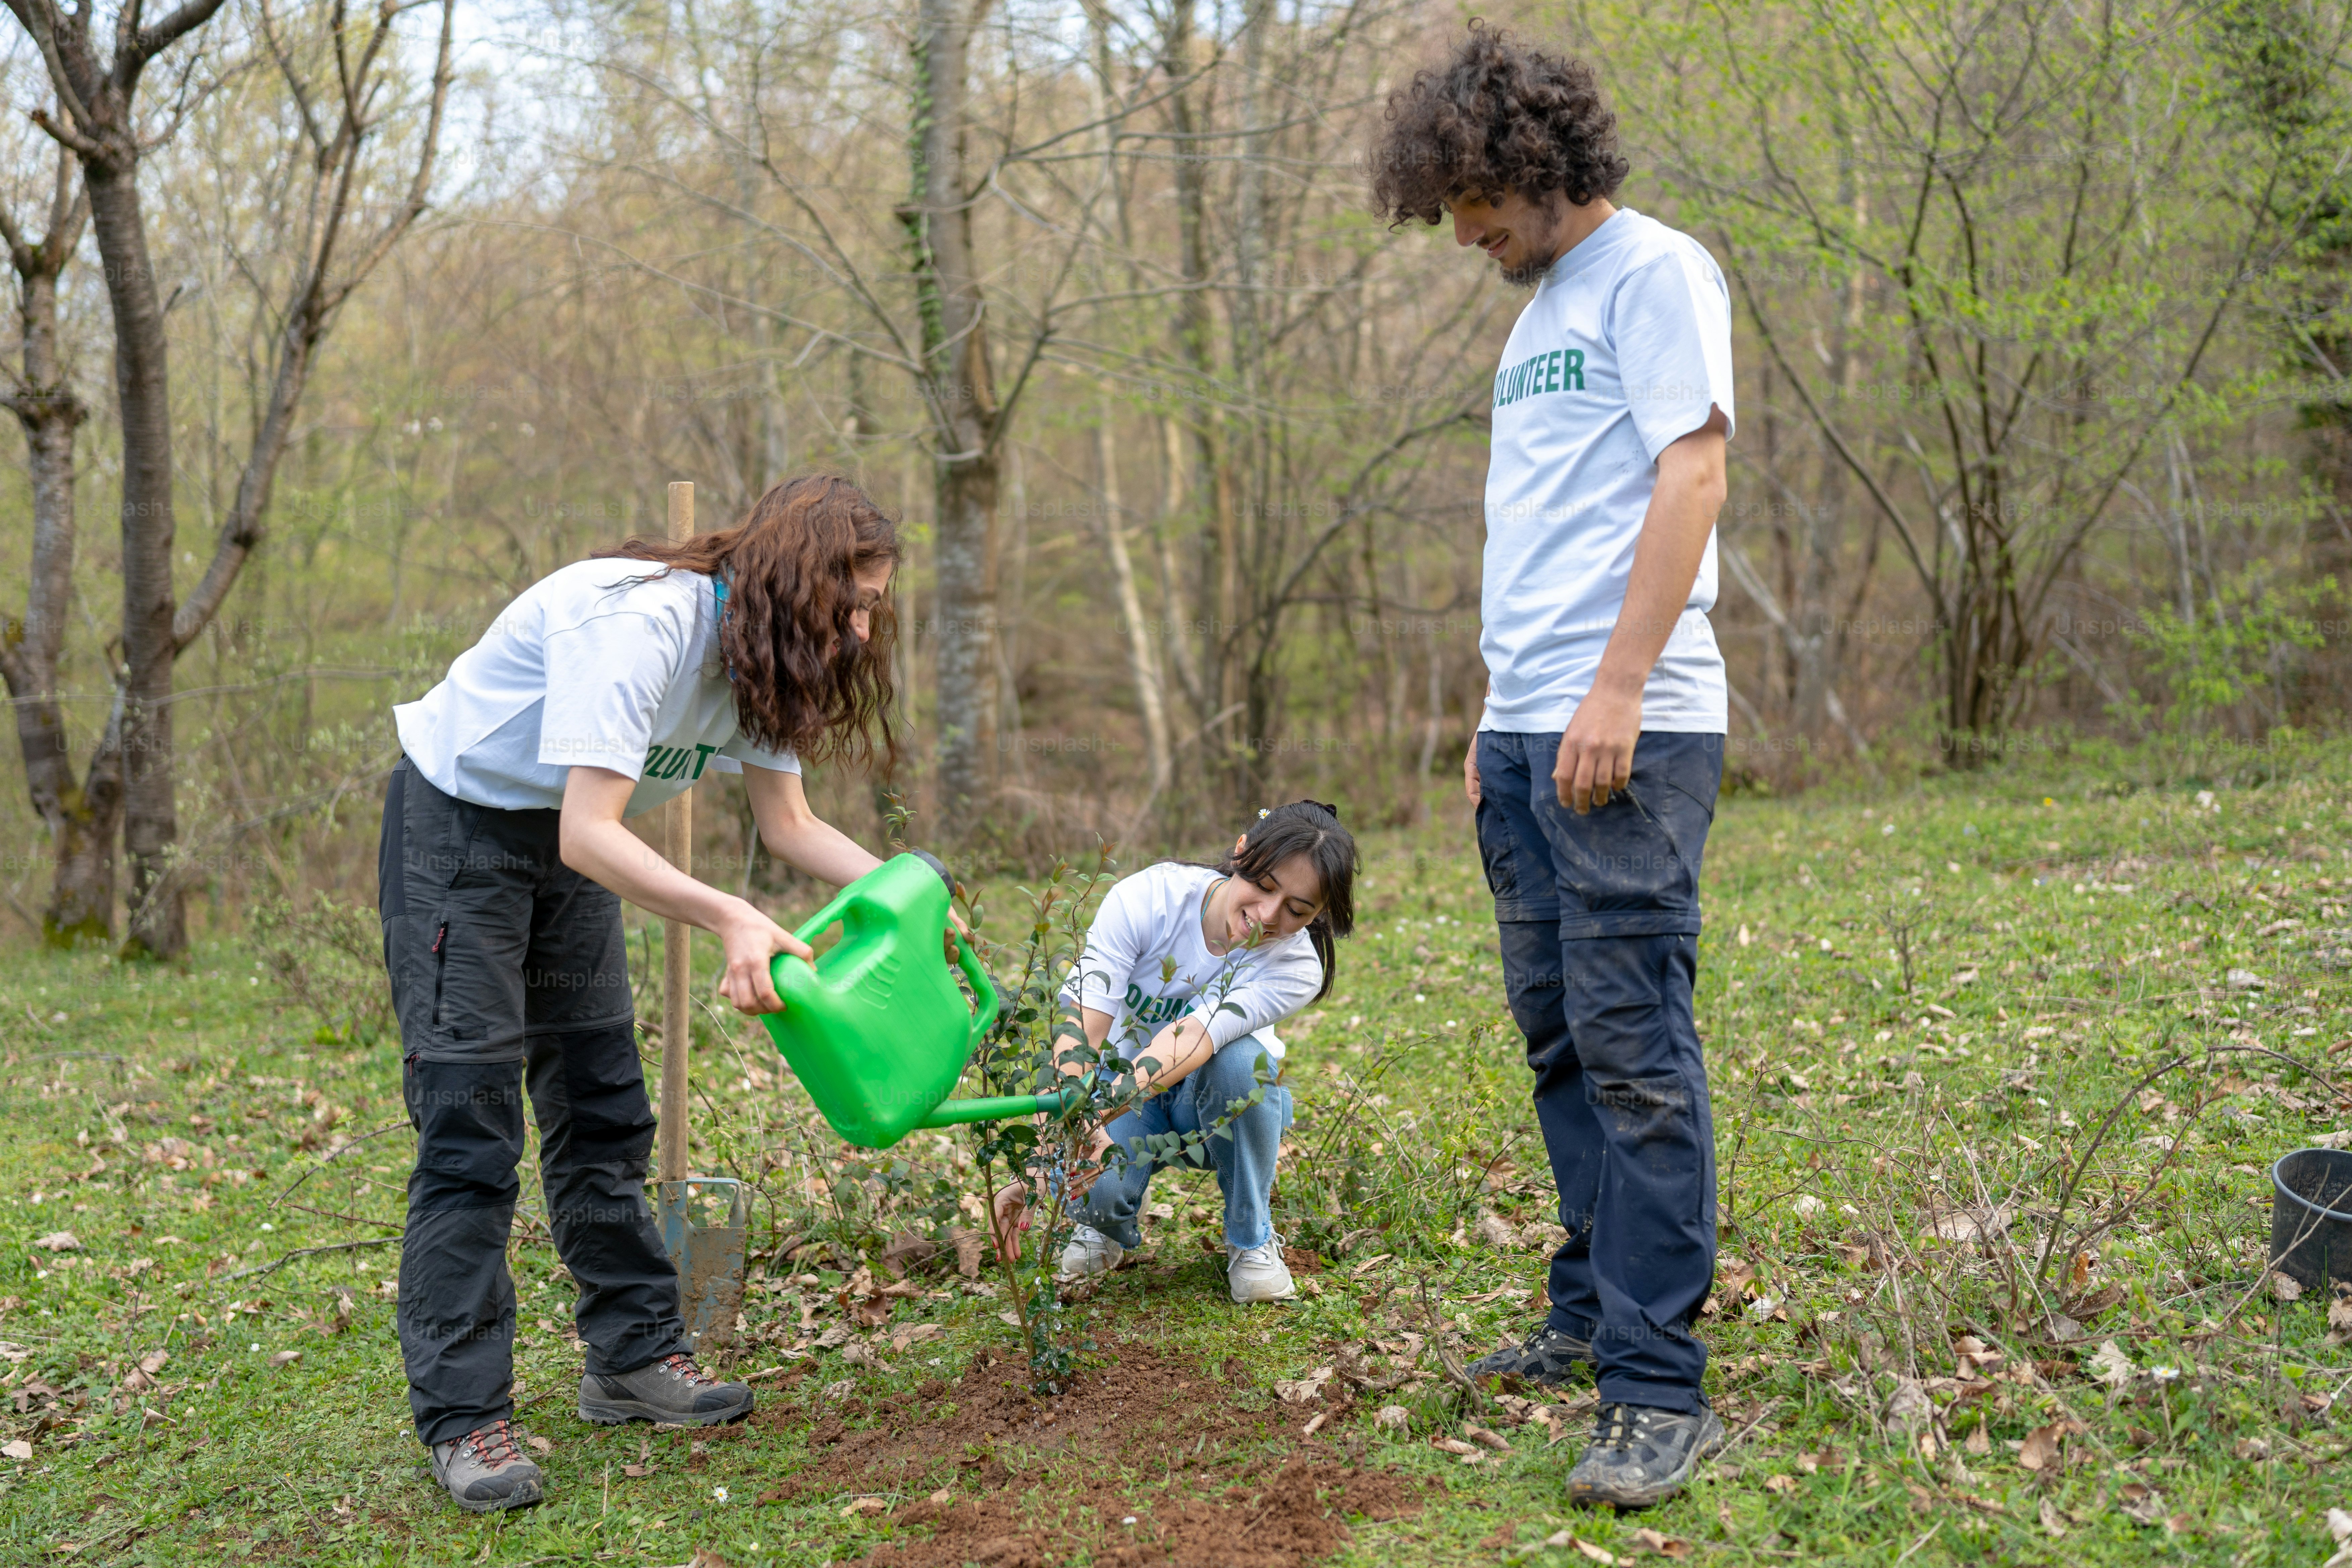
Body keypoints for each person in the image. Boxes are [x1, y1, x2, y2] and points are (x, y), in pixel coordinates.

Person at [379, 474, 913, 1512]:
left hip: (574, 850)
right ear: (792, 581)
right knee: (472, 1130)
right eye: (847, 602)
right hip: (463, 830)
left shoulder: (766, 659)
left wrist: (913, 889)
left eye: (872, 609)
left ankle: (631, 1360)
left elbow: (791, 828)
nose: (858, 629)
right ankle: (464, 1418)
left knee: (602, 1107)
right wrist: (728, 915)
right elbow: (591, 831)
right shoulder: (641, 625)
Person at [1371, 27, 1736, 1509]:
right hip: (1530, 731)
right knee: (1560, 1038)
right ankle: (1590, 1309)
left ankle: (1659, 1387)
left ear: (1533, 166)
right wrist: (1494, 710)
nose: (1461, 234)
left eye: (1473, 203)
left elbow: (1691, 473)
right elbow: (1544, 524)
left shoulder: (1657, 273)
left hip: (1625, 730)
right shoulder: (1538, 313)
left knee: (1636, 1048)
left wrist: (1619, 685)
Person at [993, 802, 1358, 1304]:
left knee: (1239, 1062)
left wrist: (1097, 1111)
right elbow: (1083, 1026)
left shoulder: (1295, 967)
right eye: (1266, 887)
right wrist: (1049, 1155)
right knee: (1095, 1189)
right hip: (1124, 1100)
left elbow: (1190, 1038)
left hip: (1215, 1111)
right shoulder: (1150, 897)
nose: (1268, 917)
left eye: (1298, 910)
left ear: (1318, 916)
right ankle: (1102, 1226)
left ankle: (1251, 1239)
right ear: (1240, 853)